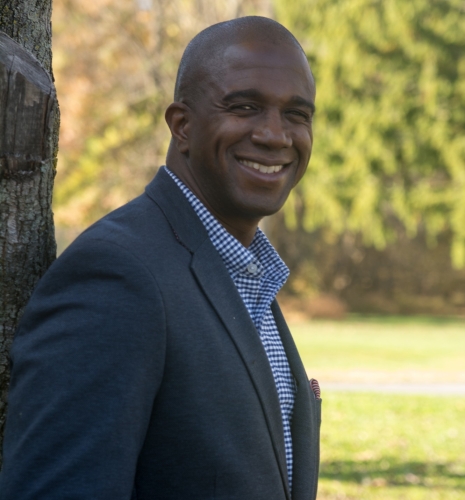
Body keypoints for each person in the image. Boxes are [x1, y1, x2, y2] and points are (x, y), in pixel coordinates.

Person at [0, 16, 320, 500]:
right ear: (182, 125)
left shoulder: (244, 273)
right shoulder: (116, 275)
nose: (276, 135)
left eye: (296, 114)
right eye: (245, 107)